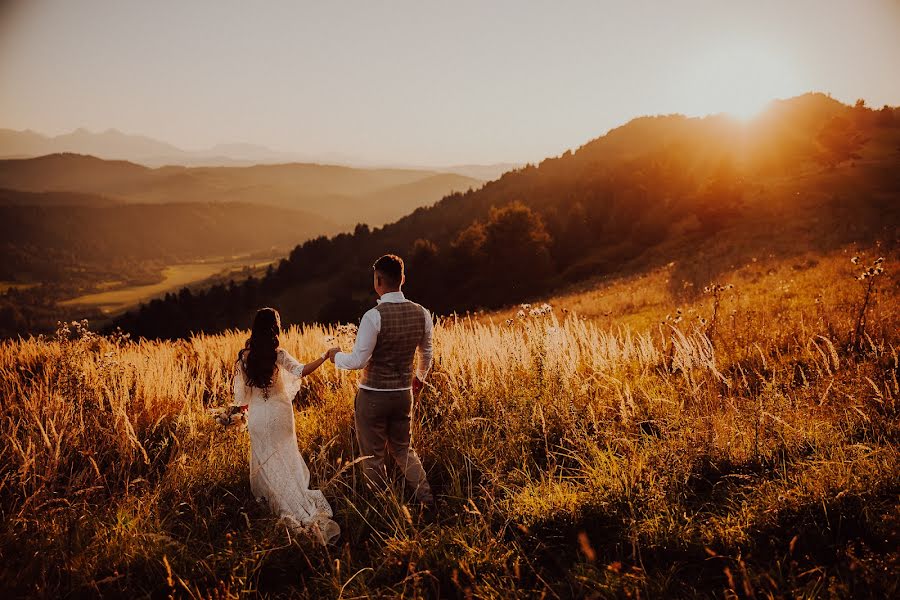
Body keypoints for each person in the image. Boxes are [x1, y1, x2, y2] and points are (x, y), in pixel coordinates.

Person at [329, 254, 436, 509]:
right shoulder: (422, 313)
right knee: (404, 450)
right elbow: (427, 352)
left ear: (378, 281)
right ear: (403, 279)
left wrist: (335, 356)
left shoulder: (373, 316)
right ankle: (427, 499)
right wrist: (419, 377)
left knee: (373, 457)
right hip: (403, 395)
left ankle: (383, 509)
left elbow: (357, 361)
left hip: (373, 397)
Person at [233, 307, 341, 544]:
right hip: (280, 413)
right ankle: (295, 501)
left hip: (259, 416)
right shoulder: (277, 354)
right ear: (274, 328)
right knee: (286, 456)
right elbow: (301, 371)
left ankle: (273, 500)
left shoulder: (244, 357)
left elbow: (241, 399)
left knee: (265, 459)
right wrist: (324, 356)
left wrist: (234, 416)